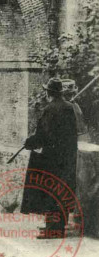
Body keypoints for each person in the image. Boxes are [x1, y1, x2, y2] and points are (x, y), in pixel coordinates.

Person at [21, 78, 79, 239]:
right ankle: (55, 226)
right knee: (61, 190)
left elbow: (43, 135)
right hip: (66, 158)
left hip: (52, 159)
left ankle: (54, 229)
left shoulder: (50, 109)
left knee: (50, 192)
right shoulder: (69, 108)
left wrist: (30, 142)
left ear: (48, 93)